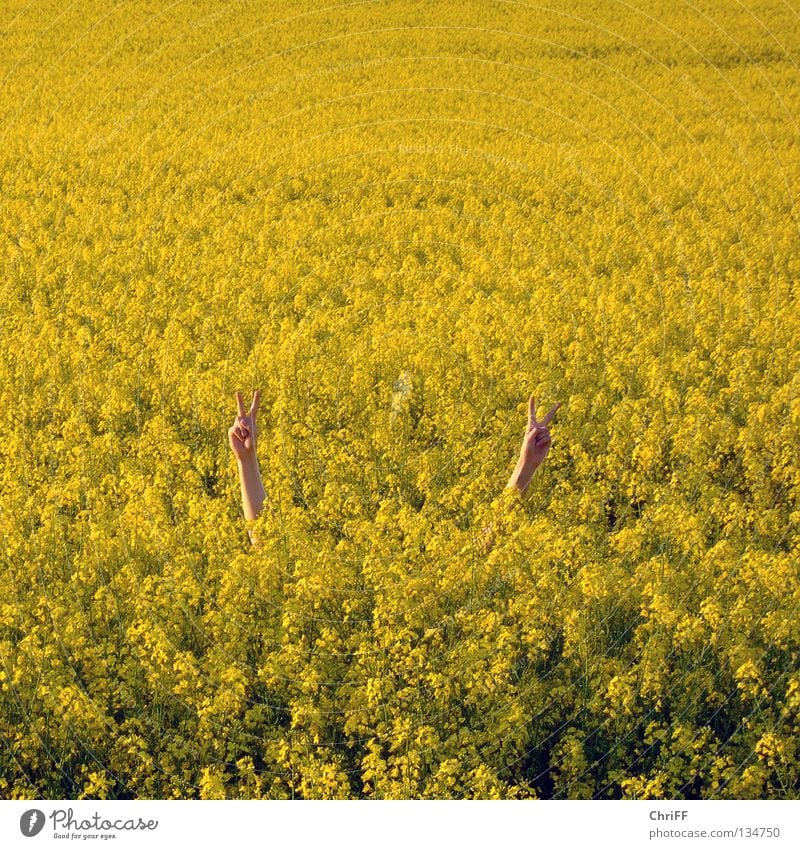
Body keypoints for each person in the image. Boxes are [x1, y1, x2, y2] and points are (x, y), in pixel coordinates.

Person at [228, 388, 560, 547]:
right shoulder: (330, 563)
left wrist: (526, 465)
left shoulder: (420, 575)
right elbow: (267, 544)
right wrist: (246, 460)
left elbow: (480, 548)